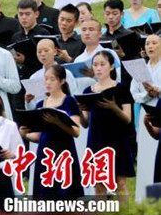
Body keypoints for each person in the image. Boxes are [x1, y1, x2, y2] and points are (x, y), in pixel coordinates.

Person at [77, 51, 134, 199]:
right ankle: (101, 213)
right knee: (98, 185)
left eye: (102, 64)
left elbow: (127, 118)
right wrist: (80, 111)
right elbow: (85, 123)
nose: (98, 68)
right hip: (96, 140)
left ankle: (124, 213)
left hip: (117, 140)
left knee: (120, 183)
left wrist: (114, 107)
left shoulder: (121, 89)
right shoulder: (87, 91)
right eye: (95, 65)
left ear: (111, 66)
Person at [19, 65, 82, 198]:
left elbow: (76, 131)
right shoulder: (40, 104)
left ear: (62, 81)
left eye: (52, 79)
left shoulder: (69, 101)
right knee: (46, 196)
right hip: (45, 154)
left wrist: (57, 122)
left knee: (65, 196)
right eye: (46, 79)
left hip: (63, 152)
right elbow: (39, 136)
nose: (48, 82)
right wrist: (25, 134)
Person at [131, 33, 161, 202]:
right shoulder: (140, 68)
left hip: (160, 111)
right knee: (145, 154)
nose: (150, 46)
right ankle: (143, 197)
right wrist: (148, 95)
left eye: (154, 43)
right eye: (148, 43)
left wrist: (158, 91)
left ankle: (157, 196)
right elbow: (134, 93)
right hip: (146, 112)